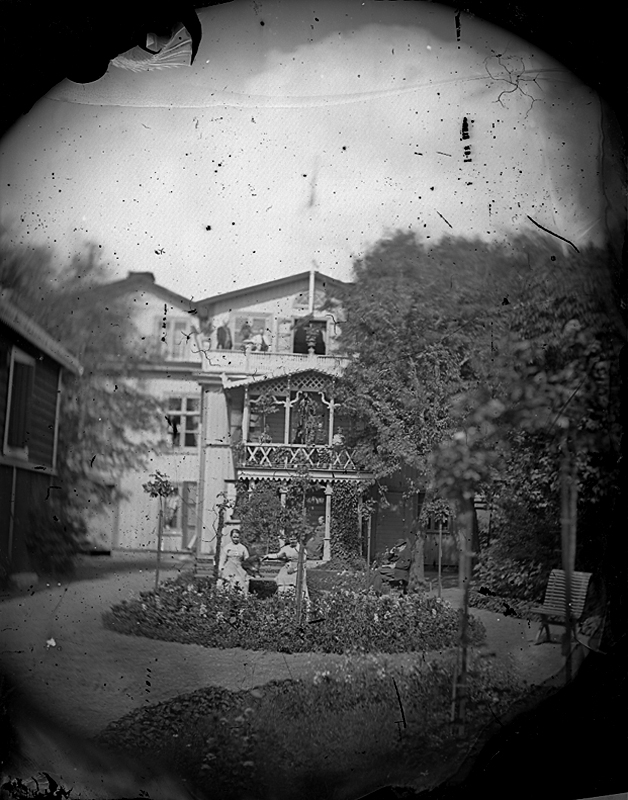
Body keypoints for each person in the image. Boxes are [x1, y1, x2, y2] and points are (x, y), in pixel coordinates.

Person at [218, 529, 251, 594]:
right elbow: (222, 559)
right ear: (231, 537)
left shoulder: (243, 548)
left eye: (237, 537)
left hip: (239, 567)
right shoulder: (227, 547)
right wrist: (221, 568)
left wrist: (247, 568)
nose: (236, 539)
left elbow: (247, 559)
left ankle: (242, 596)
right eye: (234, 537)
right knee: (229, 581)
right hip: (229, 568)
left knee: (243, 581)